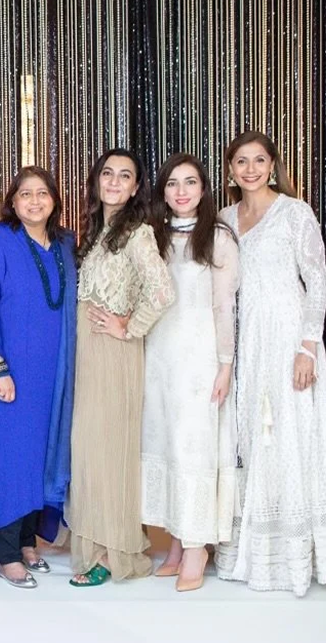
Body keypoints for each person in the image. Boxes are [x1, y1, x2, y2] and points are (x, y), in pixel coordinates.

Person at [215, 131, 326, 597]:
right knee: (250, 438)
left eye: (259, 160)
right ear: (230, 169)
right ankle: (251, 550)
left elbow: (317, 281)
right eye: (241, 161)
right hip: (245, 342)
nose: (251, 169)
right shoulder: (223, 219)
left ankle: (293, 554)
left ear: (273, 165)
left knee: (288, 436)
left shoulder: (295, 213)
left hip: (287, 339)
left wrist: (308, 347)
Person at [66, 149, 175, 587]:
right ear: (97, 181)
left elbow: (163, 291)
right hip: (87, 352)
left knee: (109, 452)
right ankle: (96, 545)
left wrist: (129, 327)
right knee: (89, 451)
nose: (114, 181)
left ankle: (114, 554)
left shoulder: (138, 233)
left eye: (124, 176)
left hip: (114, 354)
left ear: (135, 188)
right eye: (107, 173)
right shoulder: (97, 232)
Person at [0, 166, 77, 589]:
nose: (34, 201)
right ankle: (8, 553)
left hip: (55, 372)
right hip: (11, 371)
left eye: (42, 193)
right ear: (12, 202)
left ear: (54, 200)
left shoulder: (65, 244)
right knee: (12, 458)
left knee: (43, 456)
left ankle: (29, 541)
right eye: (25, 194)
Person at [142, 153, 239, 592]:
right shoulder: (153, 236)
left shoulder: (217, 237)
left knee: (193, 447)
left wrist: (225, 364)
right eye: (172, 184)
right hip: (159, 356)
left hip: (200, 359)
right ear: (163, 192)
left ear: (203, 189)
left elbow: (224, 306)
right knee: (165, 444)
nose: (181, 192)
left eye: (190, 182)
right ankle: (178, 542)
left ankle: (198, 546)